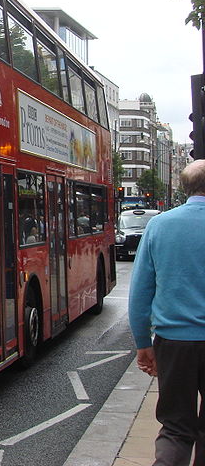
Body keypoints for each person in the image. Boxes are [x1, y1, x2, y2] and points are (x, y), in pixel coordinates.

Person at [128, 159, 205, 466]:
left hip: (174, 343)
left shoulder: (160, 225)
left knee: (175, 427)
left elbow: (140, 293)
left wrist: (143, 344)